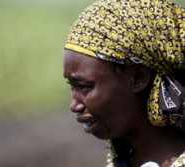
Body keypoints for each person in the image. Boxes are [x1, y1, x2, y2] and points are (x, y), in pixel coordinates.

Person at [63, 0, 185, 166]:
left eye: (84, 86)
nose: (74, 105)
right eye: (72, 87)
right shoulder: (122, 160)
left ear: (138, 78)